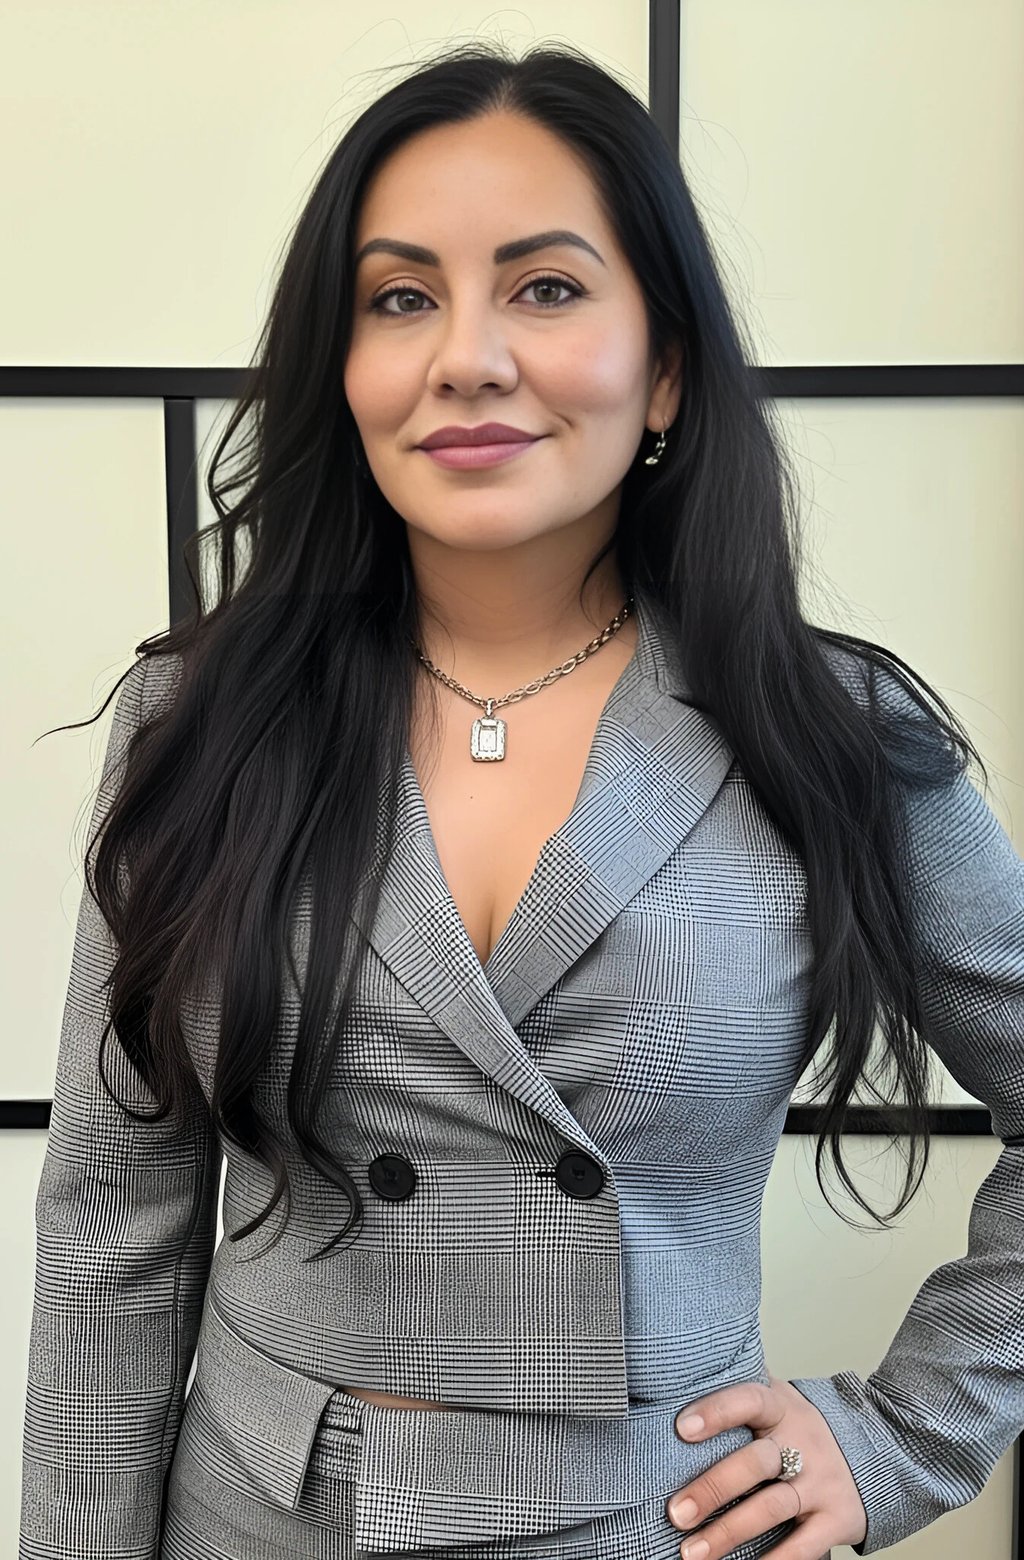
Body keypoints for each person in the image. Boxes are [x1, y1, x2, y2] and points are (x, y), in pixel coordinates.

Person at [19, 39, 1024, 1560]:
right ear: (342, 366)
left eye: (546, 288)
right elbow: (114, 1220)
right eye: (399, 298)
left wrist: (903, 1438)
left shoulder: (828, 733)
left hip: (647, 1523)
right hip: (261, 1523)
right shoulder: (205, 720)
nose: (467, 358)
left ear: (665, 365)